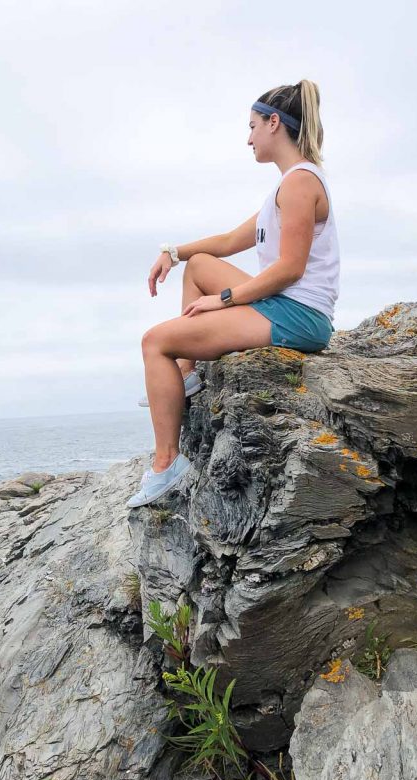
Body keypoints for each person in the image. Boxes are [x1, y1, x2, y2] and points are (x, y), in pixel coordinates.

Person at [127, 79, 339, 508]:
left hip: (299, 315)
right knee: (201, 263)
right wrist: (173, 251)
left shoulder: (300, 184)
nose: (248, 138)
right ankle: (185, 376)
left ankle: (167, 464)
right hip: (285, 305)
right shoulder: (285, 186)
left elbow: (289, 269)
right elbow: (224, 242)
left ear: (274, 123)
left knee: (155, 341)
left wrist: (223, 299)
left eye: (253, 126)